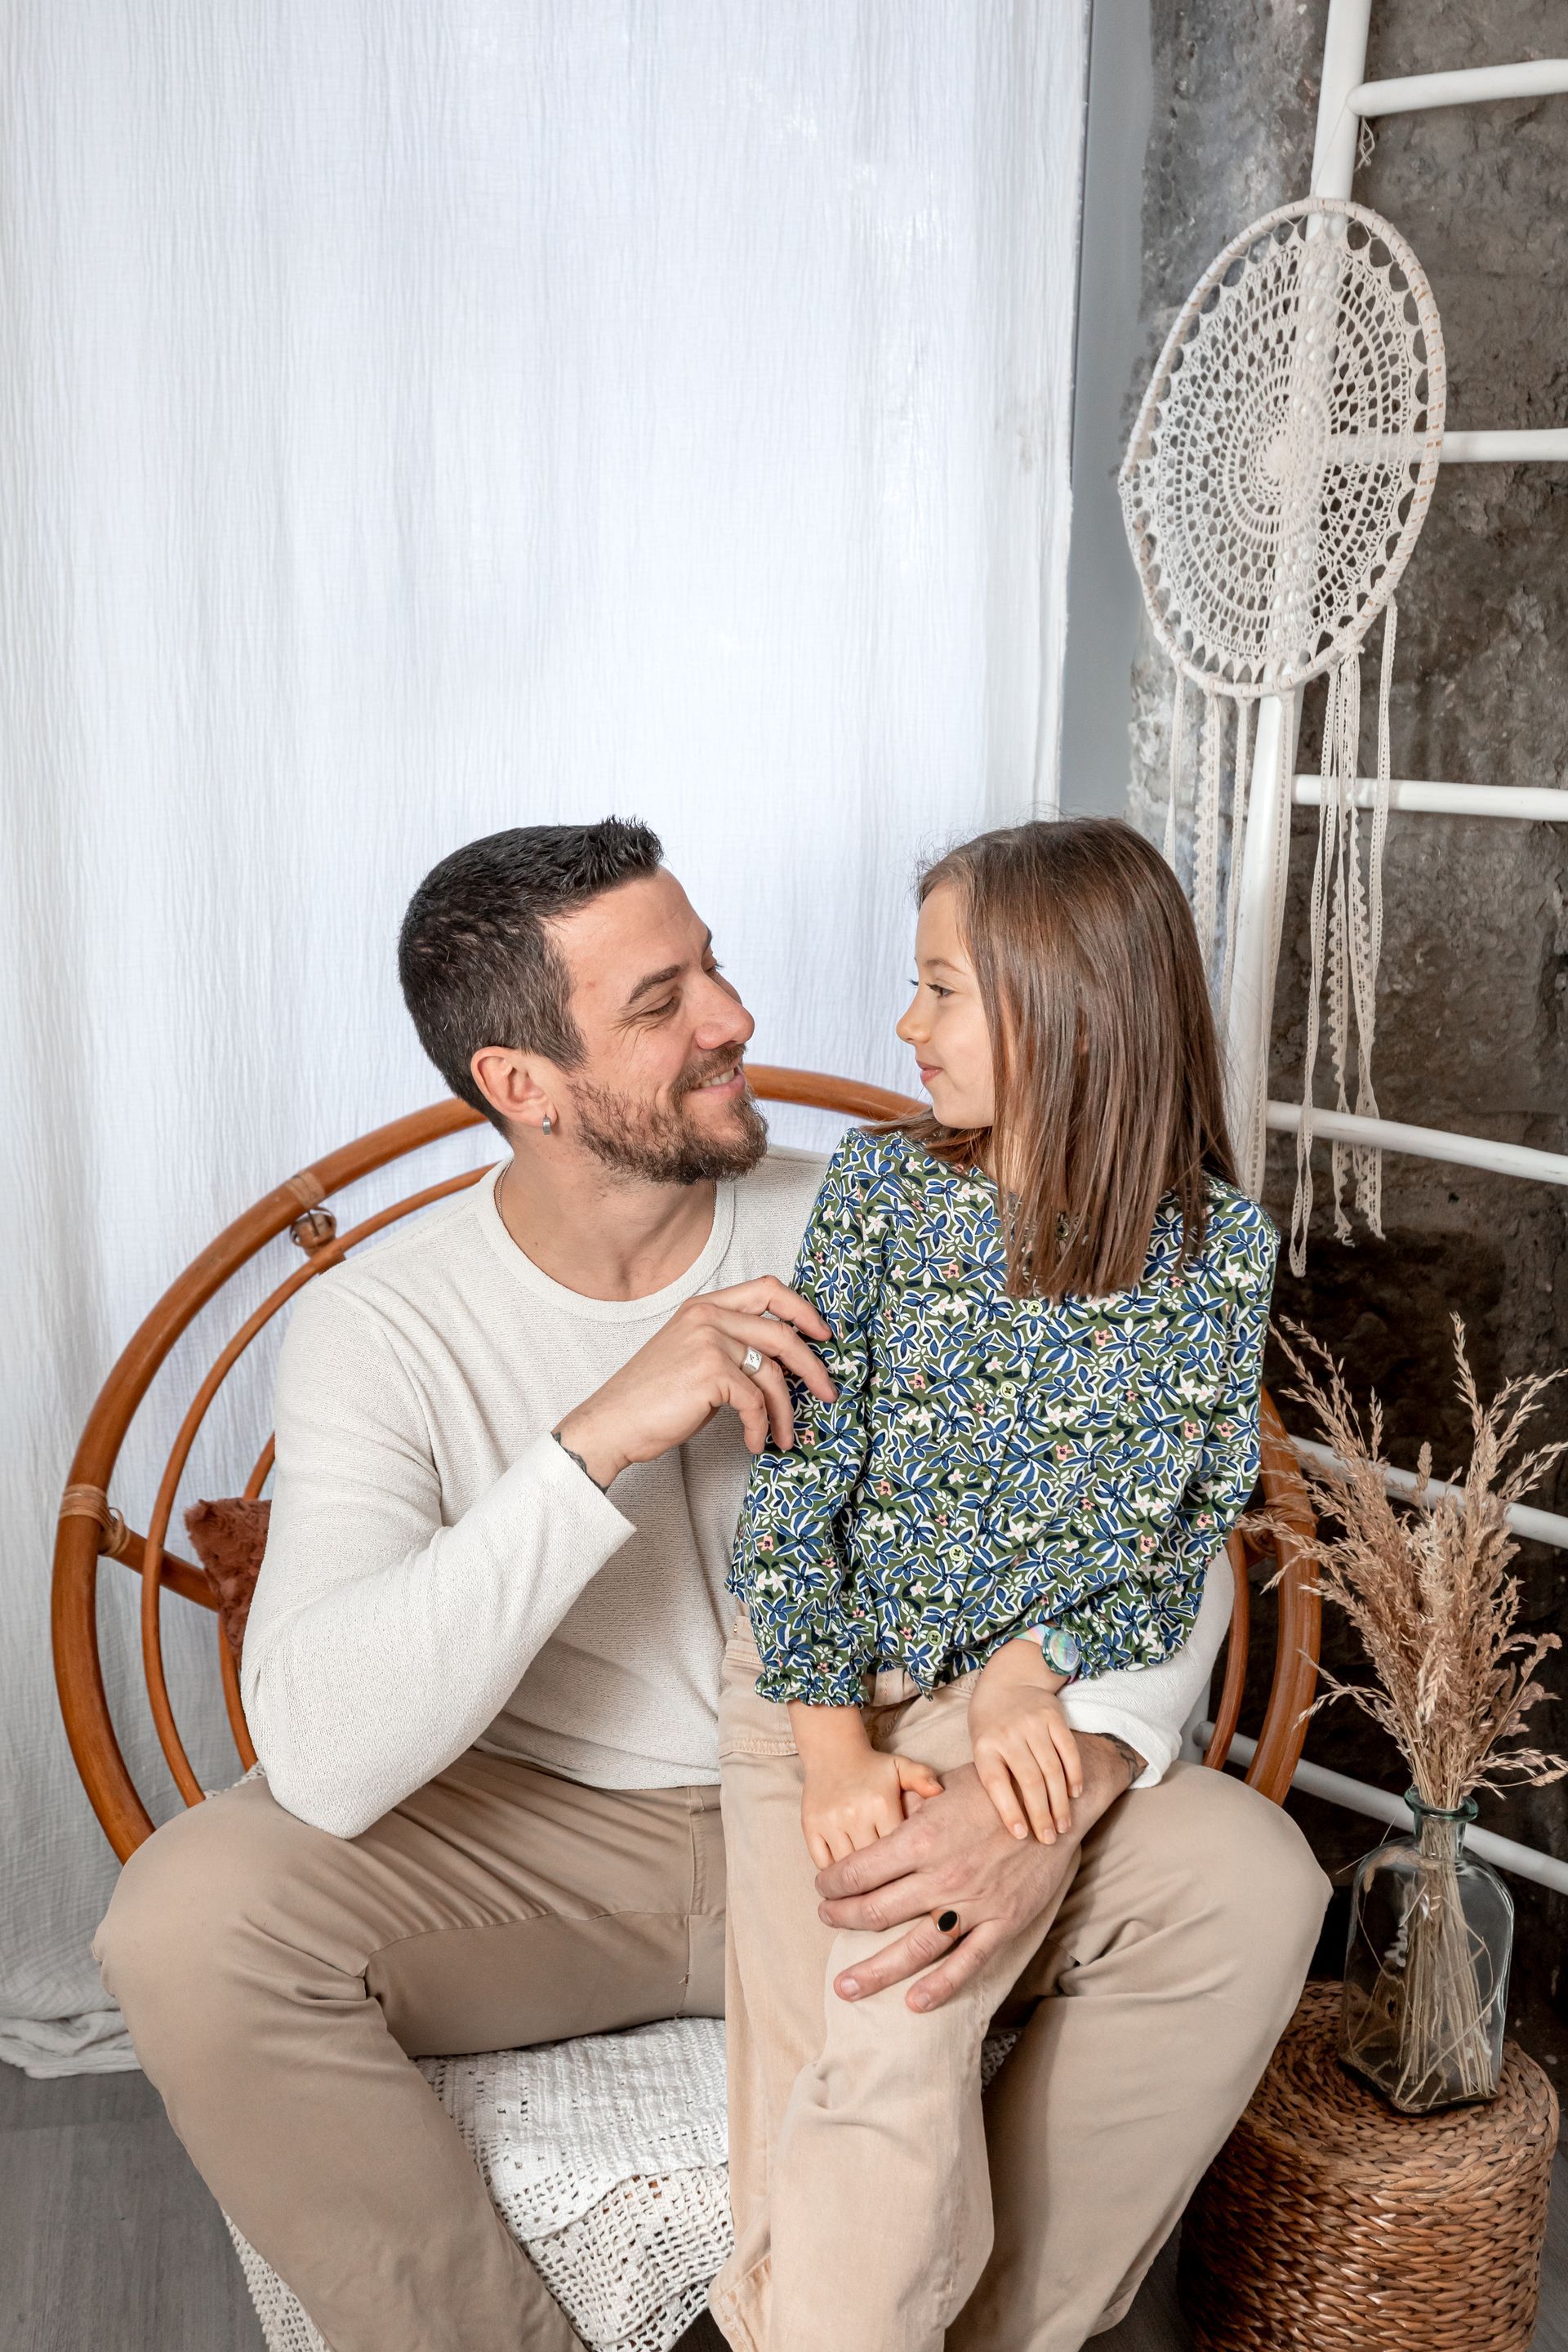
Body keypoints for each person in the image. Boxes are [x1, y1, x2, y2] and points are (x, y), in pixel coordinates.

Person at [91, 817, 1327, 2352]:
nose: (735, 1018)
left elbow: (1154, 1515)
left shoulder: (897, 1207)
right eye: (660, 1001)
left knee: (1248, 1878)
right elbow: (326, 1758)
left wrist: (1062, 1776)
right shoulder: (382, 1322)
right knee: (186, 1924)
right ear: (521, 1086)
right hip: (548, 1855)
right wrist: (593, 1442)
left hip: (899, 1766)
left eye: (715, 966)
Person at [715, 817, 1277, 2352]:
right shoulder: (885, 1198)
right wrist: (831, 1746)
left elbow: (1179, 1526)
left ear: (1066, 1000)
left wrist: (1039, 1668)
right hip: (811, 1689)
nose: (906, 1027)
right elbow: (798, 1486)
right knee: (824, 2070)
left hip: (997, 1711)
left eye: (941, 990)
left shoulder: (1218, 1252)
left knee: (892, 2036)